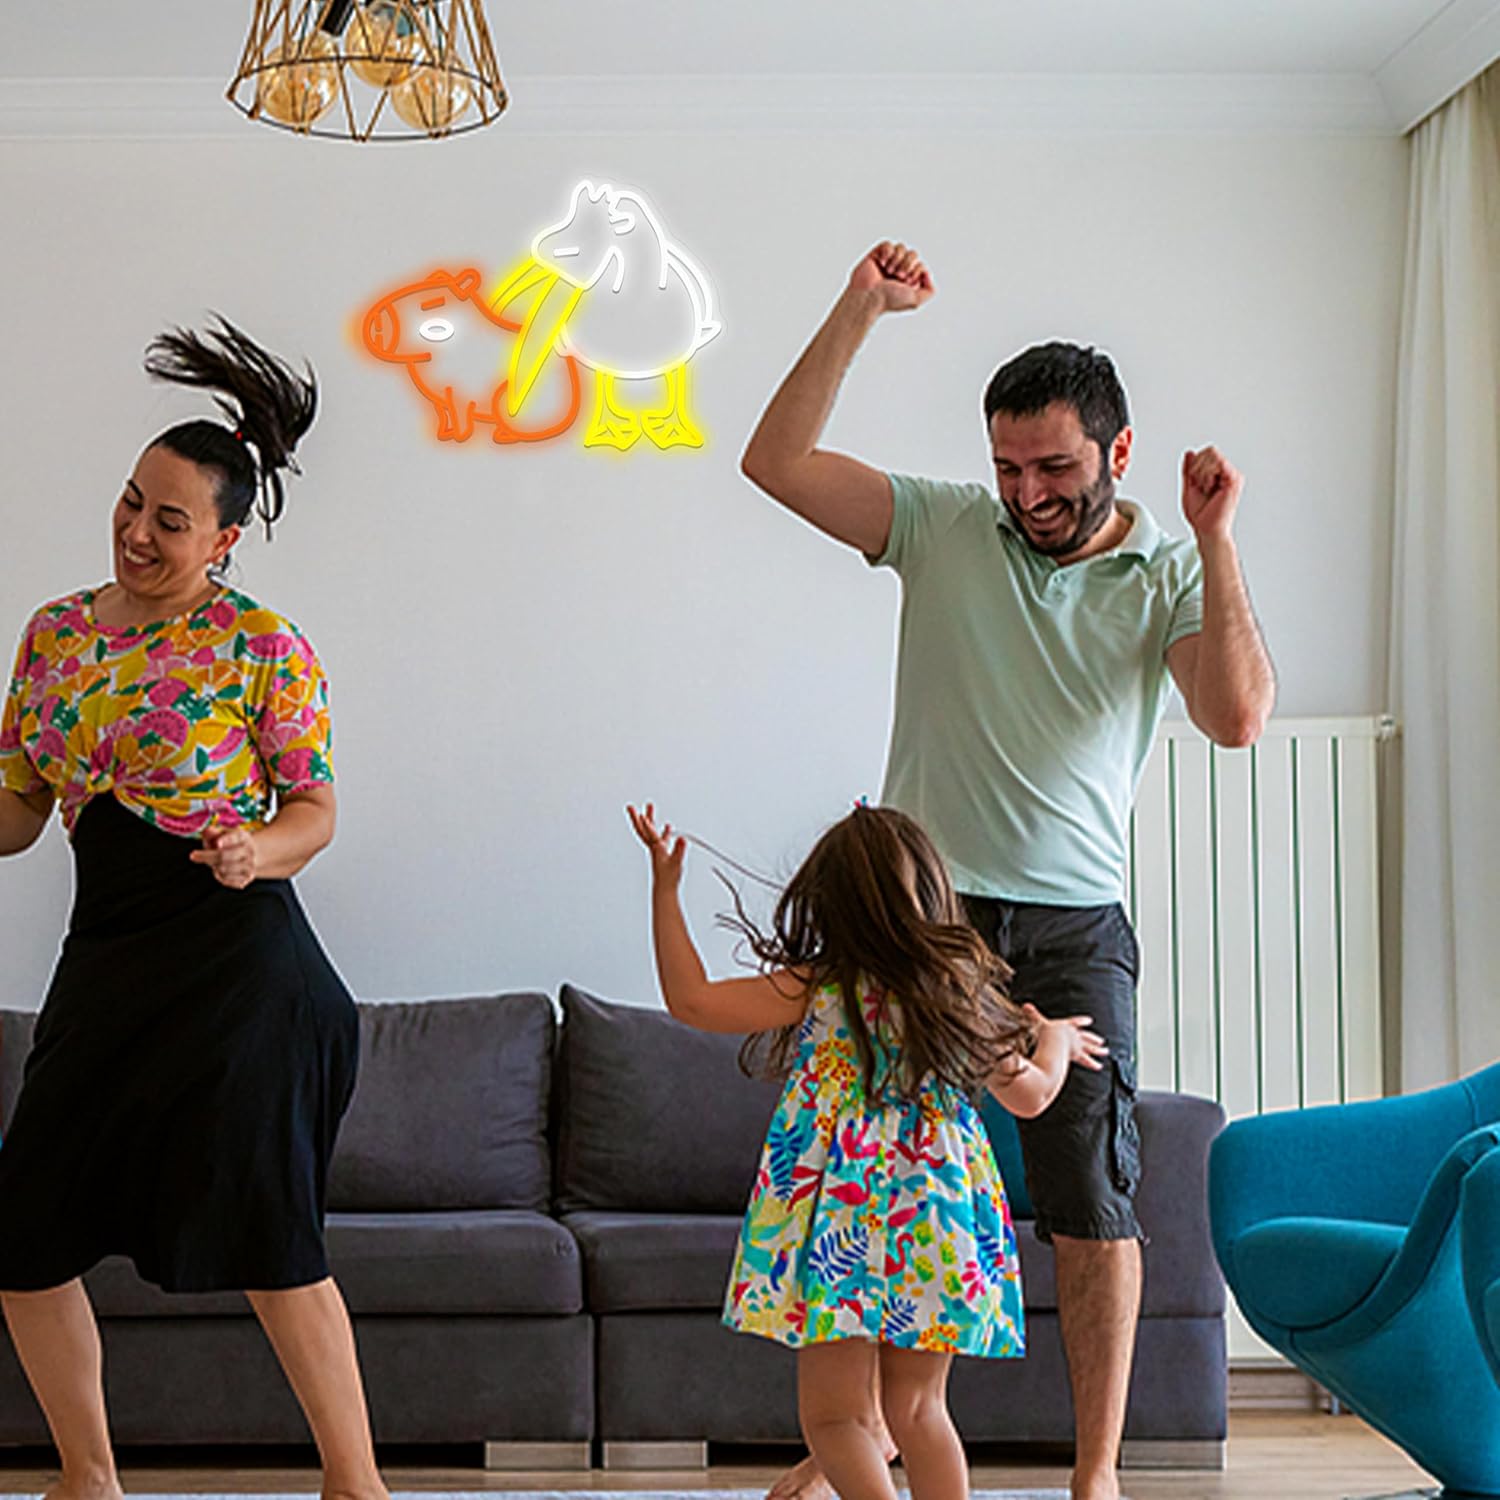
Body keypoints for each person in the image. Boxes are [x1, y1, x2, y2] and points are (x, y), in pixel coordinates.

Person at [740, 242, 1276, 1500]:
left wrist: (1216, 540)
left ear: (1117, 453)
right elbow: (776, 463)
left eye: (1056, 469)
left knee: (1092, 1195)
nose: (1028, 493)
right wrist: (861, 309)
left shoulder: (1170, 571)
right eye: (1009, 468)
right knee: (883, 1169)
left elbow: (1238, 717)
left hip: (1075, 922)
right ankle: (854, 1442)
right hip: (923, 919)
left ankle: (1095, 1476)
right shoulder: (943, 526)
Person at [0, 319, 386, 1500]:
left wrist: (256, 850)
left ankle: (356, 1484)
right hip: (108, 957)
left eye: (170, 520)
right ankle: (89, 1478)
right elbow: (19, 812)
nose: (136, 532)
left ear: (224, 541)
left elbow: (316, 810)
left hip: (241, 966)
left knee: (273, 1236)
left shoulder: (264, 644)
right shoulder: (56, 635)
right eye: (131, 503)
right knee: (22, 1232)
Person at [626, 800, 1107, 1500]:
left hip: (837, 1214)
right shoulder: (956, 991)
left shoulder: (822, 985)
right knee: (919, 1410)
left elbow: (692, 1001)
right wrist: (1054, 1040)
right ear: (932, 892)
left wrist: (665, 889)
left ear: (832, 901)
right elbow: (1032, 1096)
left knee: (836, 1417)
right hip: (934, 1216)